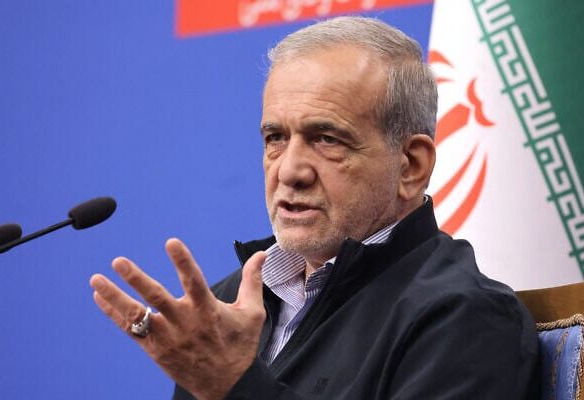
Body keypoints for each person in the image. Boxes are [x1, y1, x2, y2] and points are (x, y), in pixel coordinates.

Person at [89, 16, 539, 399]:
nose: (289, 171)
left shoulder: (465, 317)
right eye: (275, 138)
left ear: (411, 166)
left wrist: (235, 385)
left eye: (326, 139)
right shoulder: (229, 303)